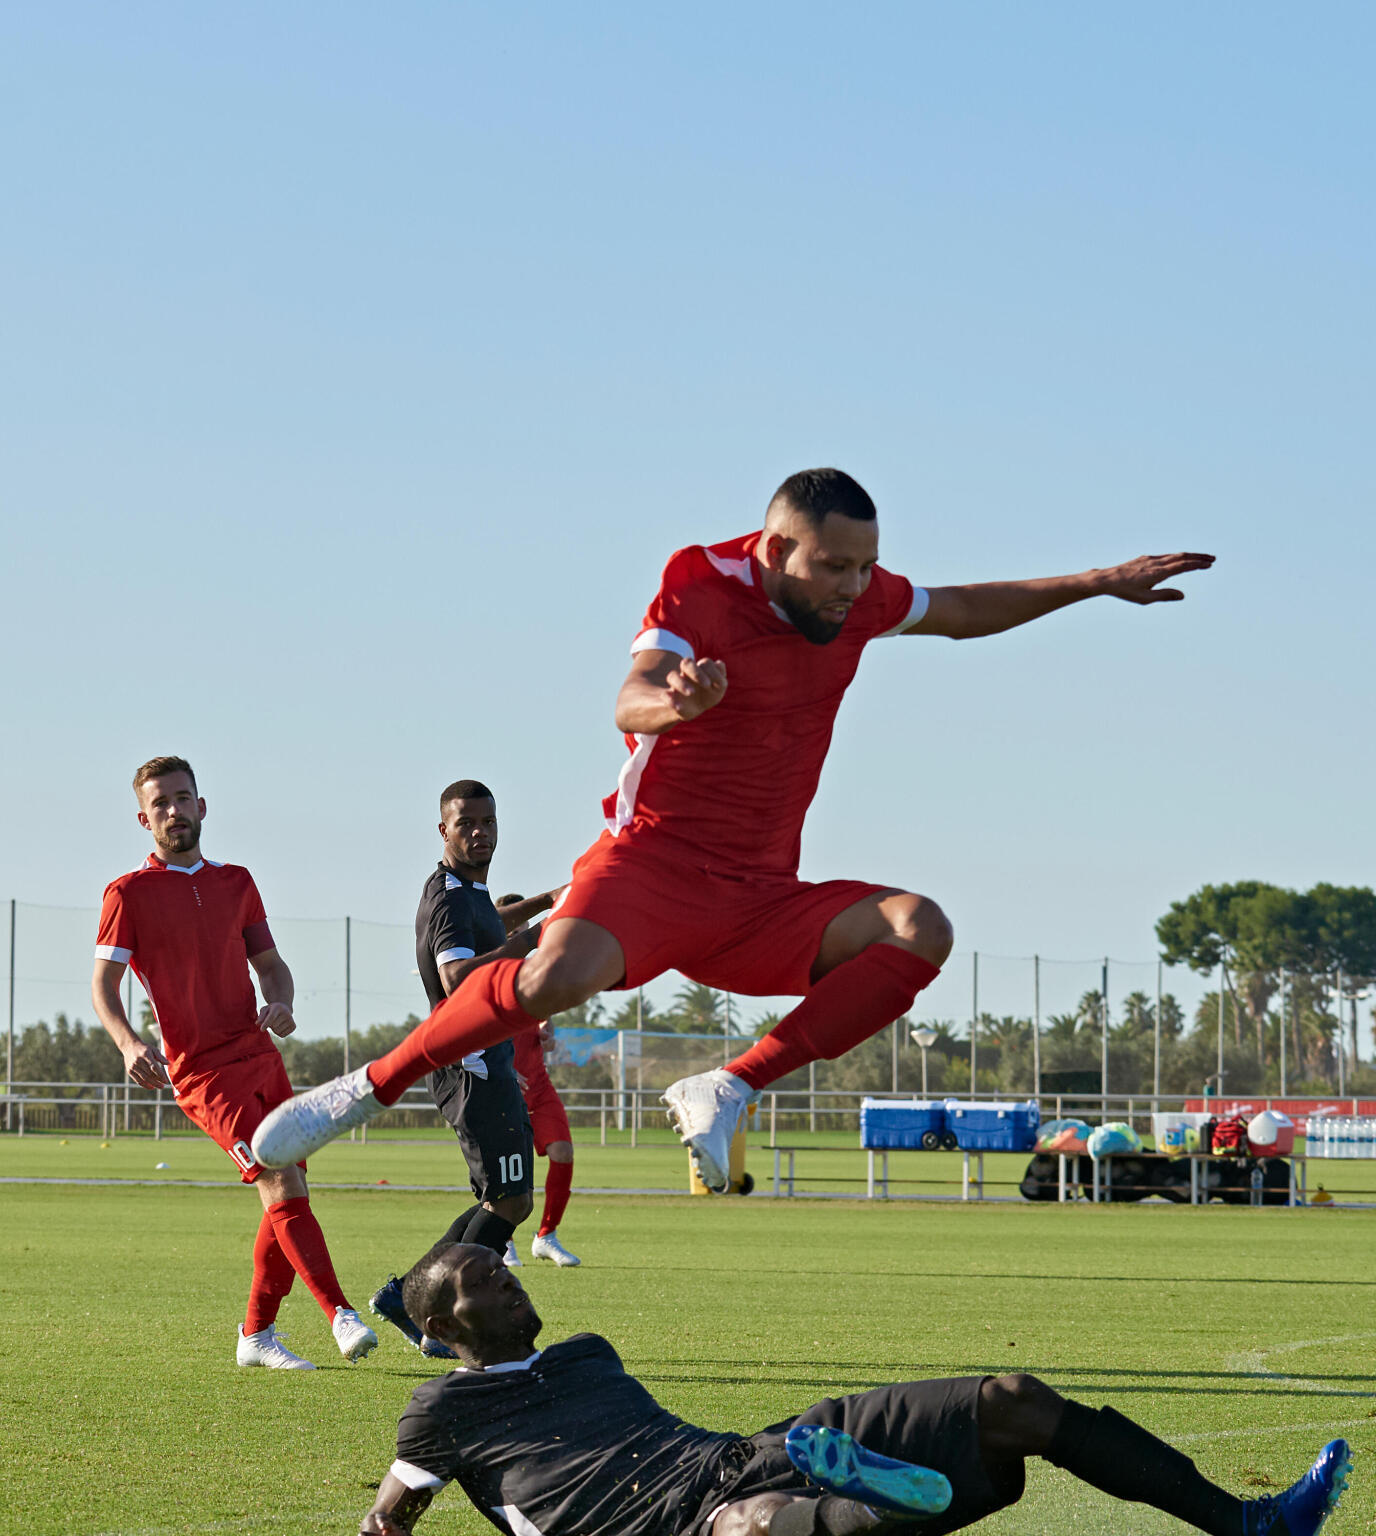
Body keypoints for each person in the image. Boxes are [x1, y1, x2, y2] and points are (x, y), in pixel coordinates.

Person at [255, 470, 1213, 1189]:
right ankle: (357, 1091)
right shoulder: (700, 582)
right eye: (833, 565)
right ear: (773, 546)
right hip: (655, 862)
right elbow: (630, 697)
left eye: (865, 566)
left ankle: (731, 1085)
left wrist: (1094, 582)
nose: (853, 586)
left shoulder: (859, 601)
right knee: (555, 978)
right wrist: (680, 704)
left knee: (921, 927)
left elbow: (960, 610)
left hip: (762, 895)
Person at [353, 1245, 1352, 1536]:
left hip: (746, 1451)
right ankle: (874, 1501)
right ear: (444, 1325)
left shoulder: (587, 1355)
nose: (511, 1280)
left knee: (1013, 1401)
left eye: (506, 1266)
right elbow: (390, 1515)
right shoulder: (439, 1412)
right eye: (488, 1279)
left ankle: (1256, 1528)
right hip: (669, 1527)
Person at [92, 754, 378, 1372]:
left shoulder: (237, 882)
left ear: (202, 805)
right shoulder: (128, 894)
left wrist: (282, 1000)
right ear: (144, 819)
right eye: (160, 803)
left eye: (182, 798)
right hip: (200, 1072)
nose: (174, 811)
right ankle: (341, 1315)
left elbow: (270, 963)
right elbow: (103, 986)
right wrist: (127, 1042)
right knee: (279, 1180)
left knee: (288, 1188)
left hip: (259, 1054)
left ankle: (255, 1336)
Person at [366, 781, 557, 1355]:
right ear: (443, 830)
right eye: (466, 823)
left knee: (502, 1198)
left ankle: (410, 1298)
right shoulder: (449, 897)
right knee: (510, 1201)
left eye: (488, 823)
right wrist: (530, 940)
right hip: (469, 1065)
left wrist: (552, 900)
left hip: (487, 1062)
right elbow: (457, 978)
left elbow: (495, 926)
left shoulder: (471, 889)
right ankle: (433, 1313)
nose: (480, 833)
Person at [493, 902, 581, 1268]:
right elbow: (476, 1031)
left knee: (563, 1152)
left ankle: (546, 1236)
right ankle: (503, 1241)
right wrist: (503, 1068)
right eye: (512, 929)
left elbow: (544, 1016)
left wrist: (549, 1030)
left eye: (524, 930)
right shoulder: (487, 972)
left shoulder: (535, 970)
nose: (519, 936)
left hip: (539, 1086)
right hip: (501, 1087)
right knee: (511, 1169)